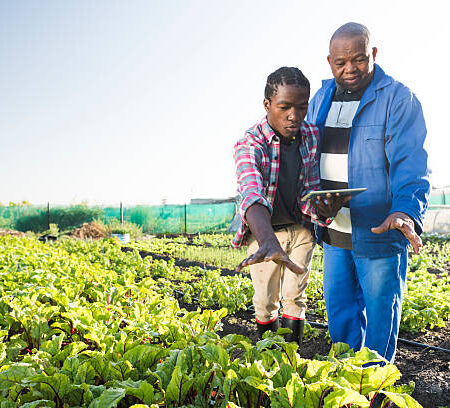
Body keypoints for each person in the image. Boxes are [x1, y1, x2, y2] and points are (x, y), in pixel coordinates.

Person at [307, 22, 430, 362]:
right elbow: (308, 156)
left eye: (358, 59)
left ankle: (374, 389)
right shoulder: (321, 99)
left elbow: (412, 164)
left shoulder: (397, 98)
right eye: (341, 62)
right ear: (329, 61)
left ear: (373, 54)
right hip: (334, 231)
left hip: (378, 228)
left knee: (380, 321)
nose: (350, 69)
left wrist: (406, 210)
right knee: (341, 318)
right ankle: (347, 386)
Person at [232, 67, 340, 345]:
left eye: (302, 107)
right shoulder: (250, 143)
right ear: (267, 105)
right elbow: (251, 193)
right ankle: (269, 360)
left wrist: (324, 209)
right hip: (265, 233)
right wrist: (267, 241)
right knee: (266, 301)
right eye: (285, 107)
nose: (294, 115)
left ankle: (291, 361)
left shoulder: (311, 136)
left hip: (300, 231)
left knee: (295, 298)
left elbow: (311, 190)